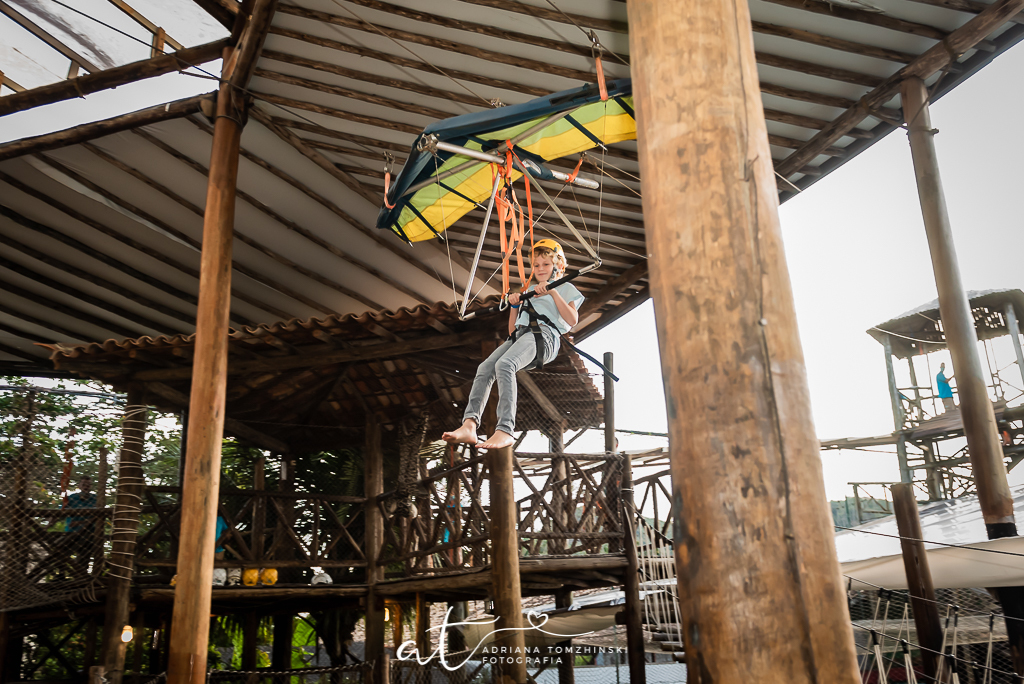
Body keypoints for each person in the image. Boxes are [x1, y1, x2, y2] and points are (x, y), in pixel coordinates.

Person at [443, 239, 584, 449]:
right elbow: (512, 331)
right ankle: (470, 424)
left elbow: (572, 320)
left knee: (505, 364)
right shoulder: (532, 290)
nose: (540, 269)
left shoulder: (564, 287)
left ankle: (505, 429)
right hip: (521, 336)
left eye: (546, 264)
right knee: (485, 368)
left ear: (558, 266)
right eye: (536, 265)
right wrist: (515, 306)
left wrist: (552, 292)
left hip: (545, 337)